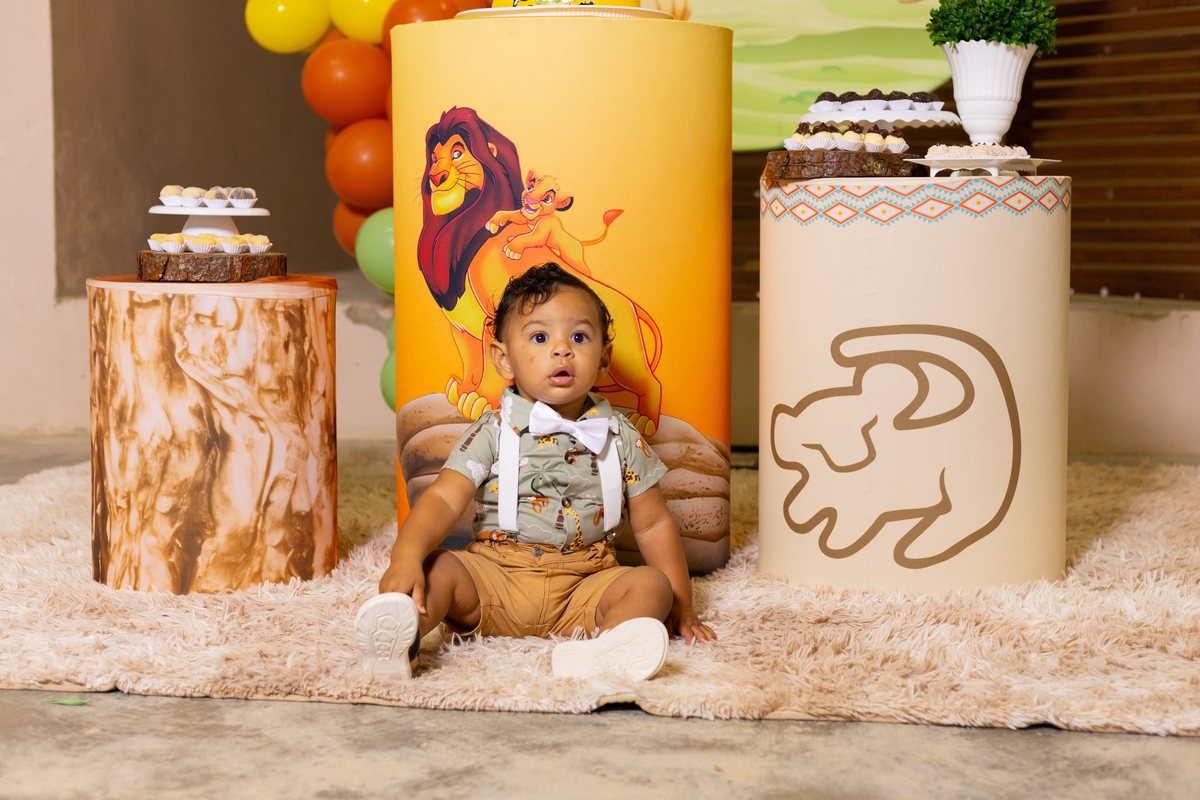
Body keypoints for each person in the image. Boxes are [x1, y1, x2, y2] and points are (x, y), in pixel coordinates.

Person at [355, 262, 715, 680]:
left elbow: (653, 524)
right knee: (439, 570)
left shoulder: (620, 436)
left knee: (652, 585)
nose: (562, 350)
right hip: (495, 578)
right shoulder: (493, 430)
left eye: (579, 337)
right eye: (540, 337)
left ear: (603, 360)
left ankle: (604, 653)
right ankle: (402, 639)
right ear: (504, 359)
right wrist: (406, 556)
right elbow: (443, 498)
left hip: (586, 585)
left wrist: (682, 606)